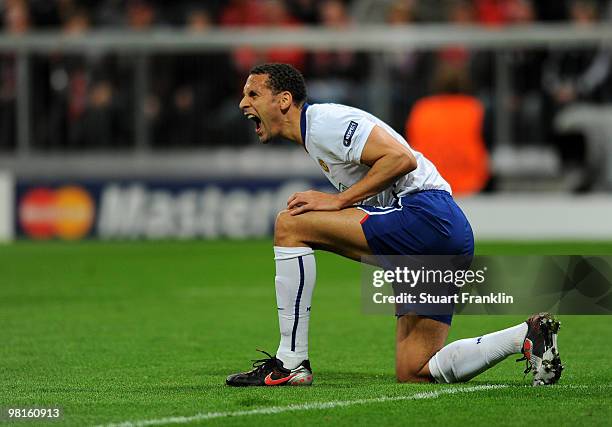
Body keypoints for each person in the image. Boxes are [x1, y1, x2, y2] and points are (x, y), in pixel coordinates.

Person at [226, 63, 562, 387]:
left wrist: (339, 200)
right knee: (415, 368)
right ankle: (525, 335)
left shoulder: (324, 122)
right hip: (445, 231)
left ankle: (290, 362)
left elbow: (402, 159)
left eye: (253, 94)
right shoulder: (315, 134)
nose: (243, 103)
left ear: (283, 100)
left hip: (425, 216)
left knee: (291, 225)